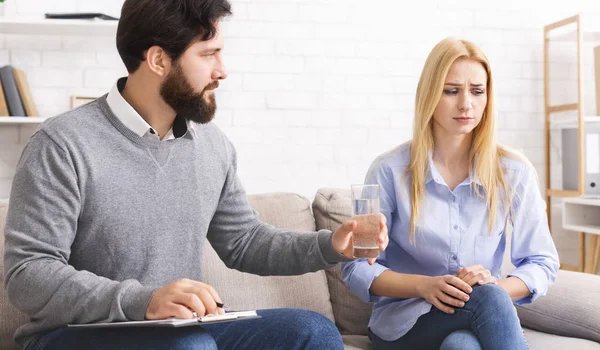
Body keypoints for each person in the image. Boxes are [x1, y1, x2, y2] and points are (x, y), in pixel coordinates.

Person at [2, 1, 388, 349]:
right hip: (75, 333)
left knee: (312, 331)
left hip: (178, 330)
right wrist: (145, 300)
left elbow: (244, 241)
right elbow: (28, 273)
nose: (222, 70)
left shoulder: (211, 145)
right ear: (158, 60)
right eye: (209, 54)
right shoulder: (62, 143)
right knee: (189, 347)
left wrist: (330, 245)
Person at [342, 37, 559, 350]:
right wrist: (424, 286)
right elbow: (357, 264)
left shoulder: (514, 172)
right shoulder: (386, 170)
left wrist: (493, 287)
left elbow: (542, 261)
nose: (466, 104)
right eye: (451, 90)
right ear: (430, 94)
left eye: (477, 91)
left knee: (462, 346)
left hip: (479, 311)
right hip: (403, 324)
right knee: (486, 303)